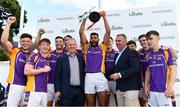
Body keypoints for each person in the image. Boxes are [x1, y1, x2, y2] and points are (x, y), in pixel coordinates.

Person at [79, 11, 110, 106]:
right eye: (91, 38)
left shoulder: (103, 47)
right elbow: (81, 32)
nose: (93, 39)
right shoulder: (86, 47)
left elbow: (108, 31)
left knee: (102, 104)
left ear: (98, 39)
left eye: (95, 38)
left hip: (100, 76)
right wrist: (84, 19)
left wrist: (104, 17)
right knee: (90, 105)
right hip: (88, 77)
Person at [1, 16, 32, 106]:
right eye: (23, 41)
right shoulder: (14, 51)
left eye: (27, 41)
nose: (25, 43)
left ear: (31, 42)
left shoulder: (33, 55)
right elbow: (3, 41)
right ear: (20, 42)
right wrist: (8, 24)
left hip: (28, 86)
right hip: (14, 85)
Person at [144, 30, 177, 107]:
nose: (148, 41)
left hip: (165, 91)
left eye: (151, 39)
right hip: (152, 91)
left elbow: (174, 69)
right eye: (147, 39)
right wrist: (145, 86)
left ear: (158, 39)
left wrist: (170, 87)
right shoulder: (148, 54)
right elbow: (148, 71)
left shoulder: (166, 51)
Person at [35, 29, 65, 106]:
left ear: (63, 43)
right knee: (48, 104)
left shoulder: (66, 55)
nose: (58, 43)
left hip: (61, 84)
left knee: (59, 103)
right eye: (57, 41)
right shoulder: (49, 53)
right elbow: (37, 46)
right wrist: (39, 34)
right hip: (49, 83)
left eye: (60, 41)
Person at [110, 34, 140, 106]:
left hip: (130, 89)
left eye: (119, 41)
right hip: (119, 89)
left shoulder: (131, 52)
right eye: (116, 41)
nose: (117, 42)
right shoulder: (117, 55)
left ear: (125, 41)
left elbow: (135, 68)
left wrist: (120, 75)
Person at [55, 38, 85, 106]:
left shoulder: (81, 58)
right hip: (66, 90)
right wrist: (57, 90)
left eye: (73, 45)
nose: (72, 46)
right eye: (70, 45)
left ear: (76, 46)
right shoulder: (61, 58)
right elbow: (57, 76)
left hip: (79, 90)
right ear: (66, 46)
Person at [23, 38, 51, 107]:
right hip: (33, 91)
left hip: (44, 92)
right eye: (43, 45)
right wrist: (43, 69)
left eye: (47, 45)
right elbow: (26, 71)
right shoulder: (34, 56)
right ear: (39, 46)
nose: (45, 47)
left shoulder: (47, 59)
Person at [138, 34, 152, 107]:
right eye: (140, 41)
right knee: (143, 101)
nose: (142, 42)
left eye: (144, 40)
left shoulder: (154, 50)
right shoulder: (139, 52)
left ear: (148, 40)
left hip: (153, 81)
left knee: (152, 102)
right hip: (143, 81)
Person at [104, 37, 118, 106]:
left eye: (110, 41)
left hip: (114, 80)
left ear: (112, 42)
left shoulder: (116, 53)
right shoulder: (102, 53)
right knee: (105, 101)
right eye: (107, 41)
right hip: (105, 80)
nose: (109, 43)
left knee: (118, 100)